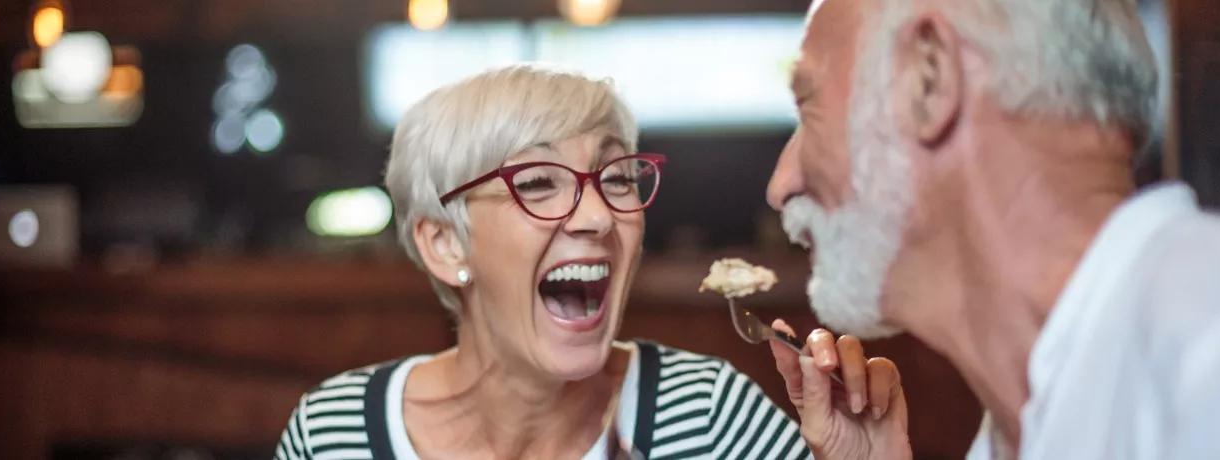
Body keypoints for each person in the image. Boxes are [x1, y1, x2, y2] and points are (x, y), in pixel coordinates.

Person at [272, 64, 903, 460]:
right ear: (445, 244)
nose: (599, 216)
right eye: (540, 182)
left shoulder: (708, 420)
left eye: (617, 178)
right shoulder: (336, 433)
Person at [765, 0, 1220, 459]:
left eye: (808, 107)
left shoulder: (1204, 346)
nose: (780, 185)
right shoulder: (1018, 428)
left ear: (929, 77)